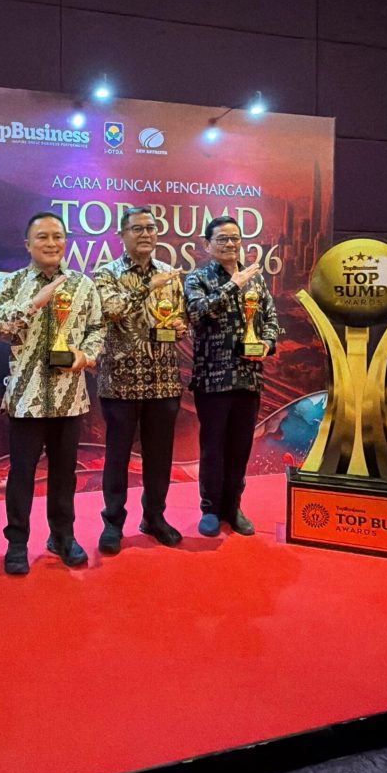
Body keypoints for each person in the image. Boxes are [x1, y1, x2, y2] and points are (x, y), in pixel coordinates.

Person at [0, 213, 105, 575]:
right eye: (42, 237)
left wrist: (85, 356)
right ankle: (17, 542)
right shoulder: (13, 283)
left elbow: (97, 329)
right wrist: (33, 302)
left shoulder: (83, 284)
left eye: (57, 236)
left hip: (70, 398)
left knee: (65, 474)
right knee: (21, 473)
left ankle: (62, 536)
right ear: (27, 244)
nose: (51, 243)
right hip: (27, 398)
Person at [94, 206, 186, 554]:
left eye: (151, 228)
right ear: (122, 234)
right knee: (117, 457)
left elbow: (180, 318)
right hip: (120, 381)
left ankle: (154, 517)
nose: (146, 234)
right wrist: (148, 286)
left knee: (160, 457)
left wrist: (178, 326)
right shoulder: (106, 274)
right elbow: (111, 310)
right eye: (137, 228)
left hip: (163, 380)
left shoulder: (169, 274)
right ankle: (113, 522)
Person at [184, 216, 279, 538]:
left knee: (240, 447)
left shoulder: (256, 279)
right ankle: (210, 508)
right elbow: (197, 313)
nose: (230, 244)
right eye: (222, 239)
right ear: (207, 244)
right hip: (213, 378)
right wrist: (232, 285)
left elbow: (271, 318)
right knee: (212, 447)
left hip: (248, 378)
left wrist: (266, 343)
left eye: (235, 238)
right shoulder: (198, 278)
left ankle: (233, 507)